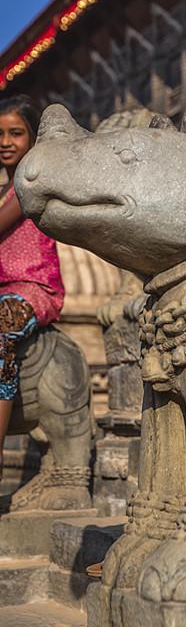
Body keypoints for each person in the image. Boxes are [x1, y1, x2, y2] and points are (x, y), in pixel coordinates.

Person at [0, 95, 64, 482]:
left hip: (32, 287)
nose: (5, 141)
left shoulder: (31, 183)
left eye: (16, 133)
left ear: (33, 140)